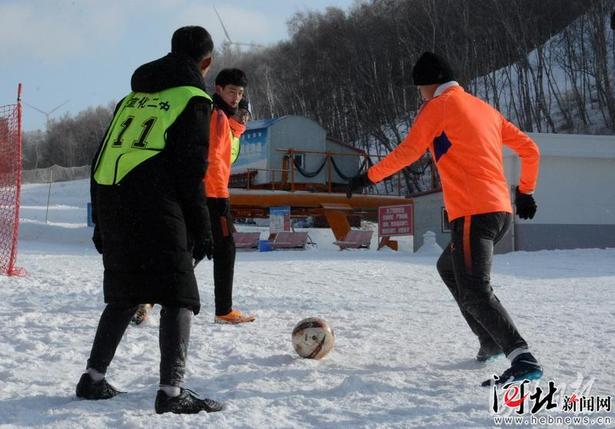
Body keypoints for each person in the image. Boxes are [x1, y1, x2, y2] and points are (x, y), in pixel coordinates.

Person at [348, 52, 542, 386]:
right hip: (499, 212)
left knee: (476, 291)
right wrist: (525, 191)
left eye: (420, 88)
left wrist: (368, 178)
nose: (420, 94)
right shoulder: (485, 109)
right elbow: (531, 150)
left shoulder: (438, 107)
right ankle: (490, 340)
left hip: (472, 213)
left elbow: (408, 151)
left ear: (428, 84)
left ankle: (522, 358)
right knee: (449, 267)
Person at [76, 26, 223, 414]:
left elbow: (99, 159)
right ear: (205, 63)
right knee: (178, 293)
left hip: (112, 196)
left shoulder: (132, 98)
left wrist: (99, 221)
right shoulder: (193, 98)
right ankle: (172, 393)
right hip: (155, 202)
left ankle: (92, 379)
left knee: (126, 291)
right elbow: (190, 171)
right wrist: (203, 228)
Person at [206, 68, 255, 324]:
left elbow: (230, 146)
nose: (237, 98)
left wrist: (239, 121)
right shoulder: (215, 116)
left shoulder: (226, 119)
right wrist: (217, 195)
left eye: (240, 93)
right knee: (225, 248)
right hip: (212, 193)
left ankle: (146, 300)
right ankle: (223, 311)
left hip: (211, 191)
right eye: (232, 91)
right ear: (219, 90)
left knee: (191, 249)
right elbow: (213, 158)